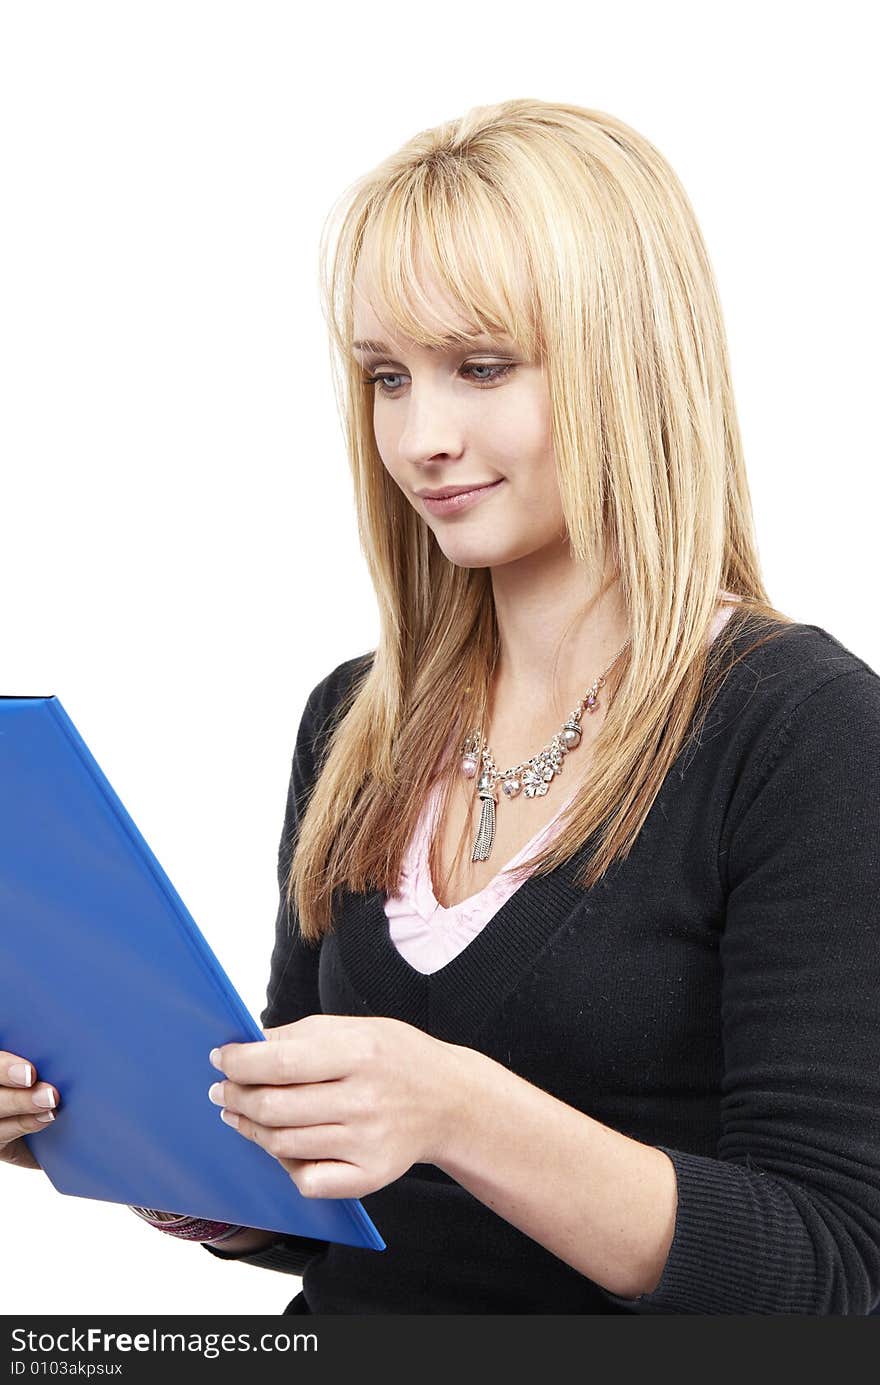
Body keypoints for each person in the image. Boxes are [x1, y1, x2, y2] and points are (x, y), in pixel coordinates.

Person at [3, 97, 879, 1315]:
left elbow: (834, 1270)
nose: (419, 437)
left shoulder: (801, 731)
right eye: (385, 377)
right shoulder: (355, 720)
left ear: (629, 363)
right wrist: (131, 1134)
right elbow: (329, 1207)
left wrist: (460, 1108)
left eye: (481, 367)